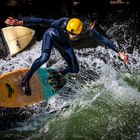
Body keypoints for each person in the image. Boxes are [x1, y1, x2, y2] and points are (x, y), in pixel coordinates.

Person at [5, 16, 128, 96]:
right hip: (51, 35)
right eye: (68, 32)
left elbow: (103, 40)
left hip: (62, 43)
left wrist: (119, 52)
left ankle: (57, 73)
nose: (70, 35)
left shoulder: (87, 31)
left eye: (72, 34)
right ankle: (26, 80)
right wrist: (21, 22)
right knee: (44, 57)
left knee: (75, 69)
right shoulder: (62, 23)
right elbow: (42, 21)